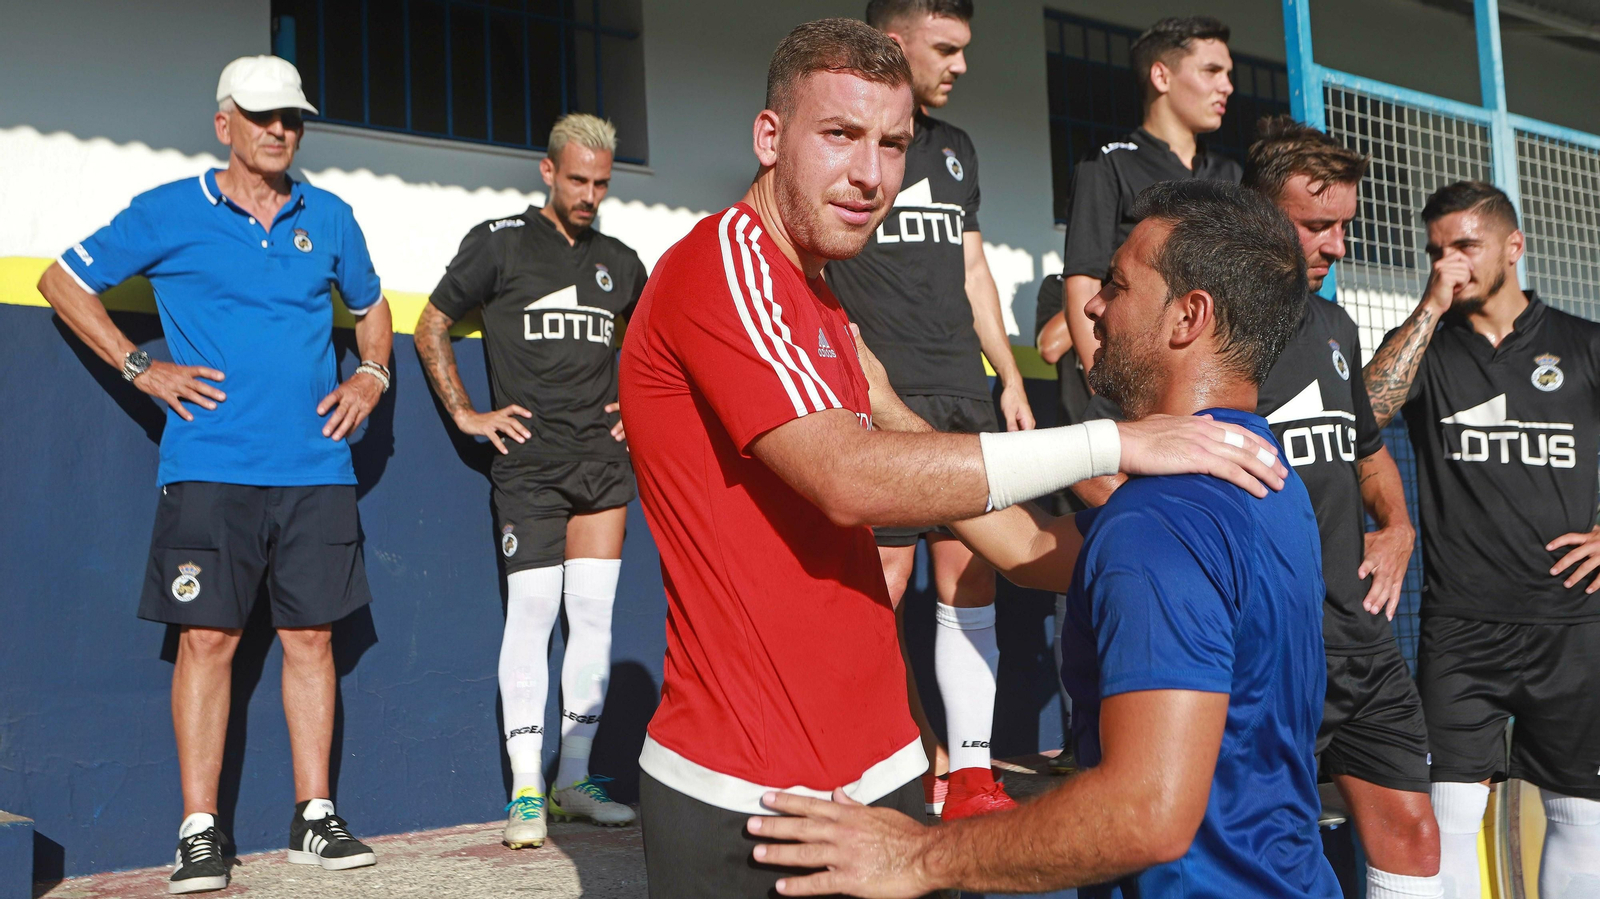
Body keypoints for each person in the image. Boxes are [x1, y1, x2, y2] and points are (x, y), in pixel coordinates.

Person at [617, 20, 1287, 898]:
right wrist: (1114, 439)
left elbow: (1009, 544)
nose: (871, 174)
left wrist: (894, 410)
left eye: (892, 144)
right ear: (769, 137)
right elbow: (849, 480)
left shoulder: (821, 300)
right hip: (757, 788)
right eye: (840, 135)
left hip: (881, 767)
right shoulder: (725, 266)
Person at [748, 180, 1340, 899]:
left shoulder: (1158, 526)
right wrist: (889, 407)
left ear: (1189, 316)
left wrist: (918, 856)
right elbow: (1028, 551)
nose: (1091, 305)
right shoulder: (1264, 479)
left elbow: (1143, 812)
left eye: (1117, 286)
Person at [36, 55, 385, 893]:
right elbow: (61, 279)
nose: (279, 131)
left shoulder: (330, 217)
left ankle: (315, 816)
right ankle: (200, 831)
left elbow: (372, 308)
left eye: (292, 118)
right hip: (210, 466)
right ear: (224, 123)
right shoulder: (168, 212)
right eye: (263, 116)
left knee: (312, 637)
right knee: (208, 640)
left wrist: (372, 373)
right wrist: (139, 366)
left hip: (316, 470)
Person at [415, 113, 648, 850]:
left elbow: (658, 349)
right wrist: (466, 414)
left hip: (603, 468)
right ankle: (525, 789)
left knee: (596, 621)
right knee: (533, 616)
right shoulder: (501, 243)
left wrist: (640, 415)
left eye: (601, 183)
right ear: (548, 171)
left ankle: (573, 782)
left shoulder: (622, 260)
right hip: (530, 467)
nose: (589, 194)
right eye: (577, 179)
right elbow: (431, 324)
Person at [826, 0, 1034, 820]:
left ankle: (972, 775)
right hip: (879, 399)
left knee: (970, 576)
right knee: (880, 585)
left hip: (962, 393)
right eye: (945, 49)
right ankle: (898, 761)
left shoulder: (957, 151)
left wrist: (1008, 375)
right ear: (892, 43)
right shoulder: (843, 146)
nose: (961, 66)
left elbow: (975, 270)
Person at [1363, 181, 1600, 899]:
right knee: (1449, 819)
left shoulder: (1583, 344)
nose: (1449, 264)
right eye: (1436, 251)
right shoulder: (1430, 348)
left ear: (1514, 247)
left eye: (1465, 246)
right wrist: (1431, 307)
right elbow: (1366, 412)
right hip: (1461, 628)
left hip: (1572, 623)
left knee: (1581, 817)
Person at [1235, 117, 1444, 898]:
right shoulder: (1212, 327)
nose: (1337, 246)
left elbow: (1368, 452)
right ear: (1259, 217)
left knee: (1414, 832)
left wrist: (1396, 525)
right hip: (1273, 644)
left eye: (1345, 226)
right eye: (1316, 225)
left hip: (1361, 636)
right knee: (1273, 845)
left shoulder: (1333, 324)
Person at [1047, 15, 1241, 397]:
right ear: (1161, 76)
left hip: (1214, 386)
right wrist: (1106, 396)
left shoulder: (1231, 174)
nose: (1227, 86)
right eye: (1211, 71)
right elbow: (1083, 285)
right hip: (1139, 389)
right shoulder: (1108, 163)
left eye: (1228, 73)